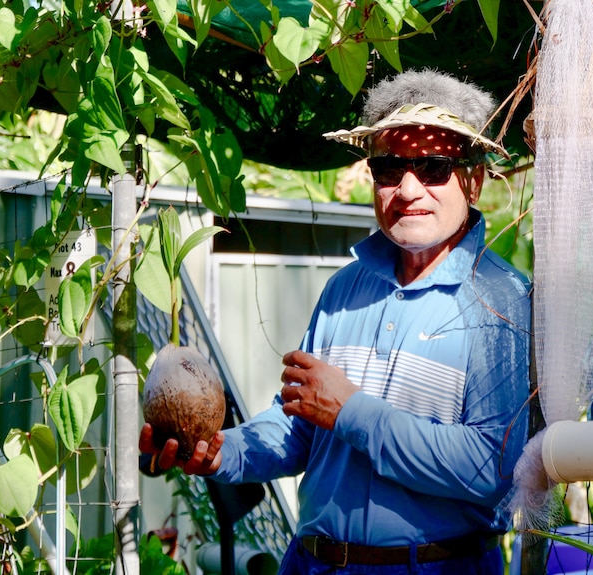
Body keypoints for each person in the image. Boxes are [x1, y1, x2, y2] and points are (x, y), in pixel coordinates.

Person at [140, 69, 532, 574]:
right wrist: (220, 452)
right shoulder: (345, 288)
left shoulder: (502, 303)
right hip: (311, 562)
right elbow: (300, 427)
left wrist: (350, 411)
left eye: (433, 167)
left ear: (473, 181)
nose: (408, 189)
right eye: (389, 168)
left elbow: (491, 468)